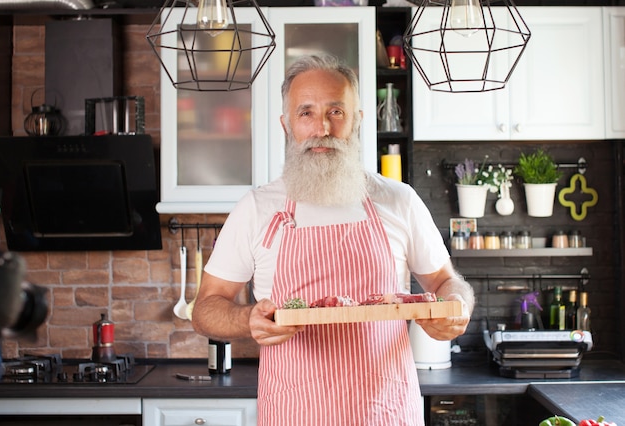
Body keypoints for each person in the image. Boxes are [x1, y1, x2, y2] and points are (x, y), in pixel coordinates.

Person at [191, 54, 475, 426]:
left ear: (357, 121)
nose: (321, 128)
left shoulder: (398, 200)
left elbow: (445, 283)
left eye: (336, 112)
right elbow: (205, 309)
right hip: (294, 413)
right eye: (305, 113)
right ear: (286, 125)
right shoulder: (257, 208)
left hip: (385, 412)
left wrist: (457, 307)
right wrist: (248, 320)